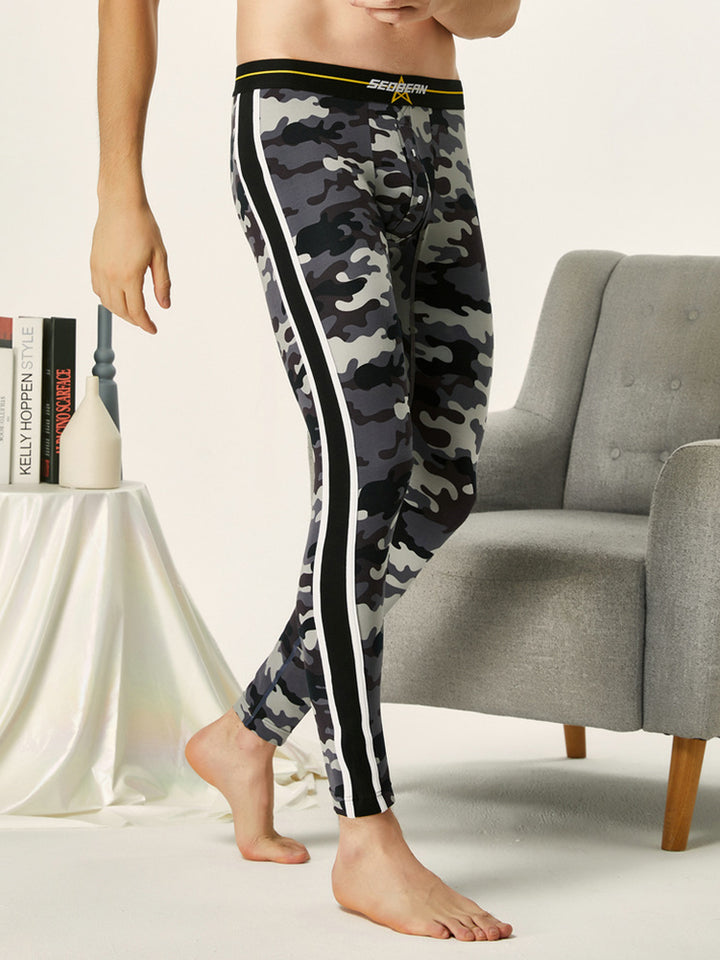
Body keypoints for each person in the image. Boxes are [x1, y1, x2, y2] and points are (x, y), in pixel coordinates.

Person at [91, 0, 521, 942]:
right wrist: (121, 193)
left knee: (443, 485)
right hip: (302, 121)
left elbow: (499, 16)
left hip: (435, 128)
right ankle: (366, 832)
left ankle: (246, 734)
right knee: (369, 467)